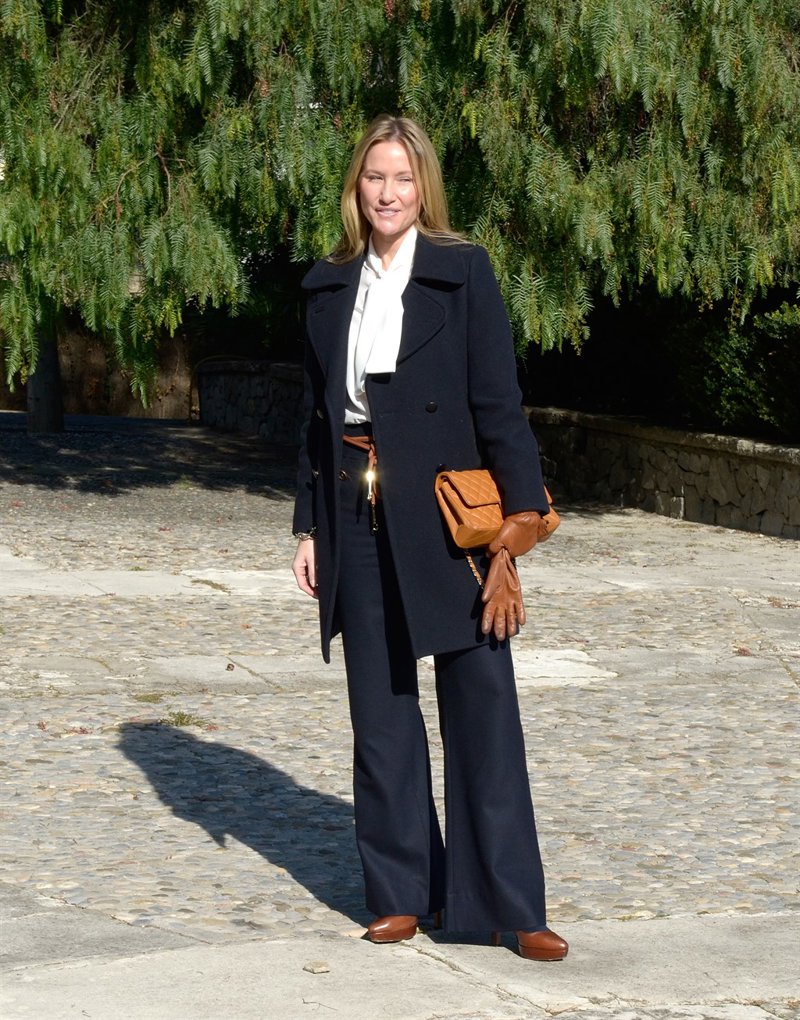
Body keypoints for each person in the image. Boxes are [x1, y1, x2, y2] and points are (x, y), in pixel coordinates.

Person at [291, 114, 567, 962]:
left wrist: (518, 526)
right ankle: (403, 894)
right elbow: (315, 418)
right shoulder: (326, 285)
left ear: (424, 188)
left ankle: (511, 906)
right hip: (354, 508)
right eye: (375, 177)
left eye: (403, 179)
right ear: (357, 186)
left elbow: (499, 404)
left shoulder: (462, 271)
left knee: (483, 707)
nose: (388, 193)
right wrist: (308, 525)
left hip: (450, 517)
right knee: (380, 714)